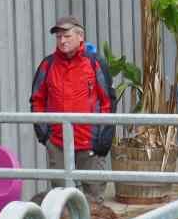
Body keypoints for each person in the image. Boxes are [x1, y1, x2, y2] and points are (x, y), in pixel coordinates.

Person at [28, 14, 114, 197]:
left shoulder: (94, 63)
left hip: (90, 142)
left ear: (80, 36)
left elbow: (108, 101)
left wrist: (104, 138)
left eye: (67, 36)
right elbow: (37, 99)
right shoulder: (48, 65)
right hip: (58, 142)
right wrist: (44, 135)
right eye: (59, 36)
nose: (62, 40)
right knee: (60, 197)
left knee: (93, 196)